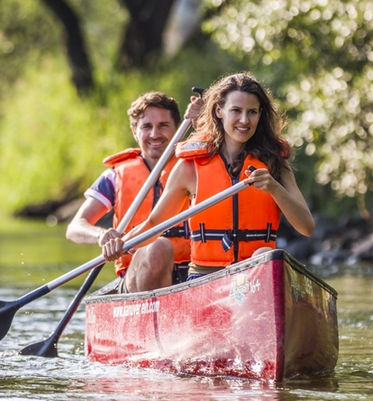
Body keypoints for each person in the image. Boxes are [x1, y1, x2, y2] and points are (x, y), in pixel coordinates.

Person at [101, 72, 315, 280]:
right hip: (205, 278)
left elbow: (306, 227)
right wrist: (121, 244)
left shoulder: (275, 163)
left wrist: (275, 189)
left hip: (255, 276)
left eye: (252, 112)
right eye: (236, 110)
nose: (244, 120)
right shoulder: (190, 167)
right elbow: (154, 223)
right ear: (219, 111)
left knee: (266, 257)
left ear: (261, 114)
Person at [66, 91, 190, 292]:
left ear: (177, 128)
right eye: (147, 127)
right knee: (159, 247)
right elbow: (75, 228)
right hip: (137, 275)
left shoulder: (195, 169)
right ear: (134, 131)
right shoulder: (115, 176)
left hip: (192, 274)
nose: (155, 134)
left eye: (163, 126)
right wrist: (101, 236)